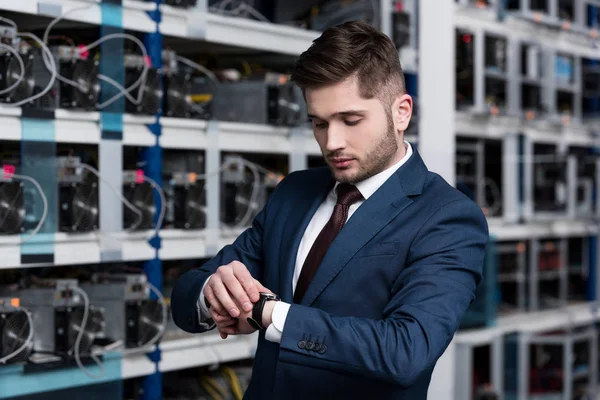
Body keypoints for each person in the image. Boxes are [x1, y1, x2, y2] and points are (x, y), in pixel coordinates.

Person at [171, 20, 489, 399]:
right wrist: (214, 292)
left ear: (401, 112)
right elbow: (187, 294)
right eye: (318, 123)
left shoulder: (447, 217)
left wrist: (270, 313)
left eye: (350, 120)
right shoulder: (294, 192)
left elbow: (405, 351)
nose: (332, 142)